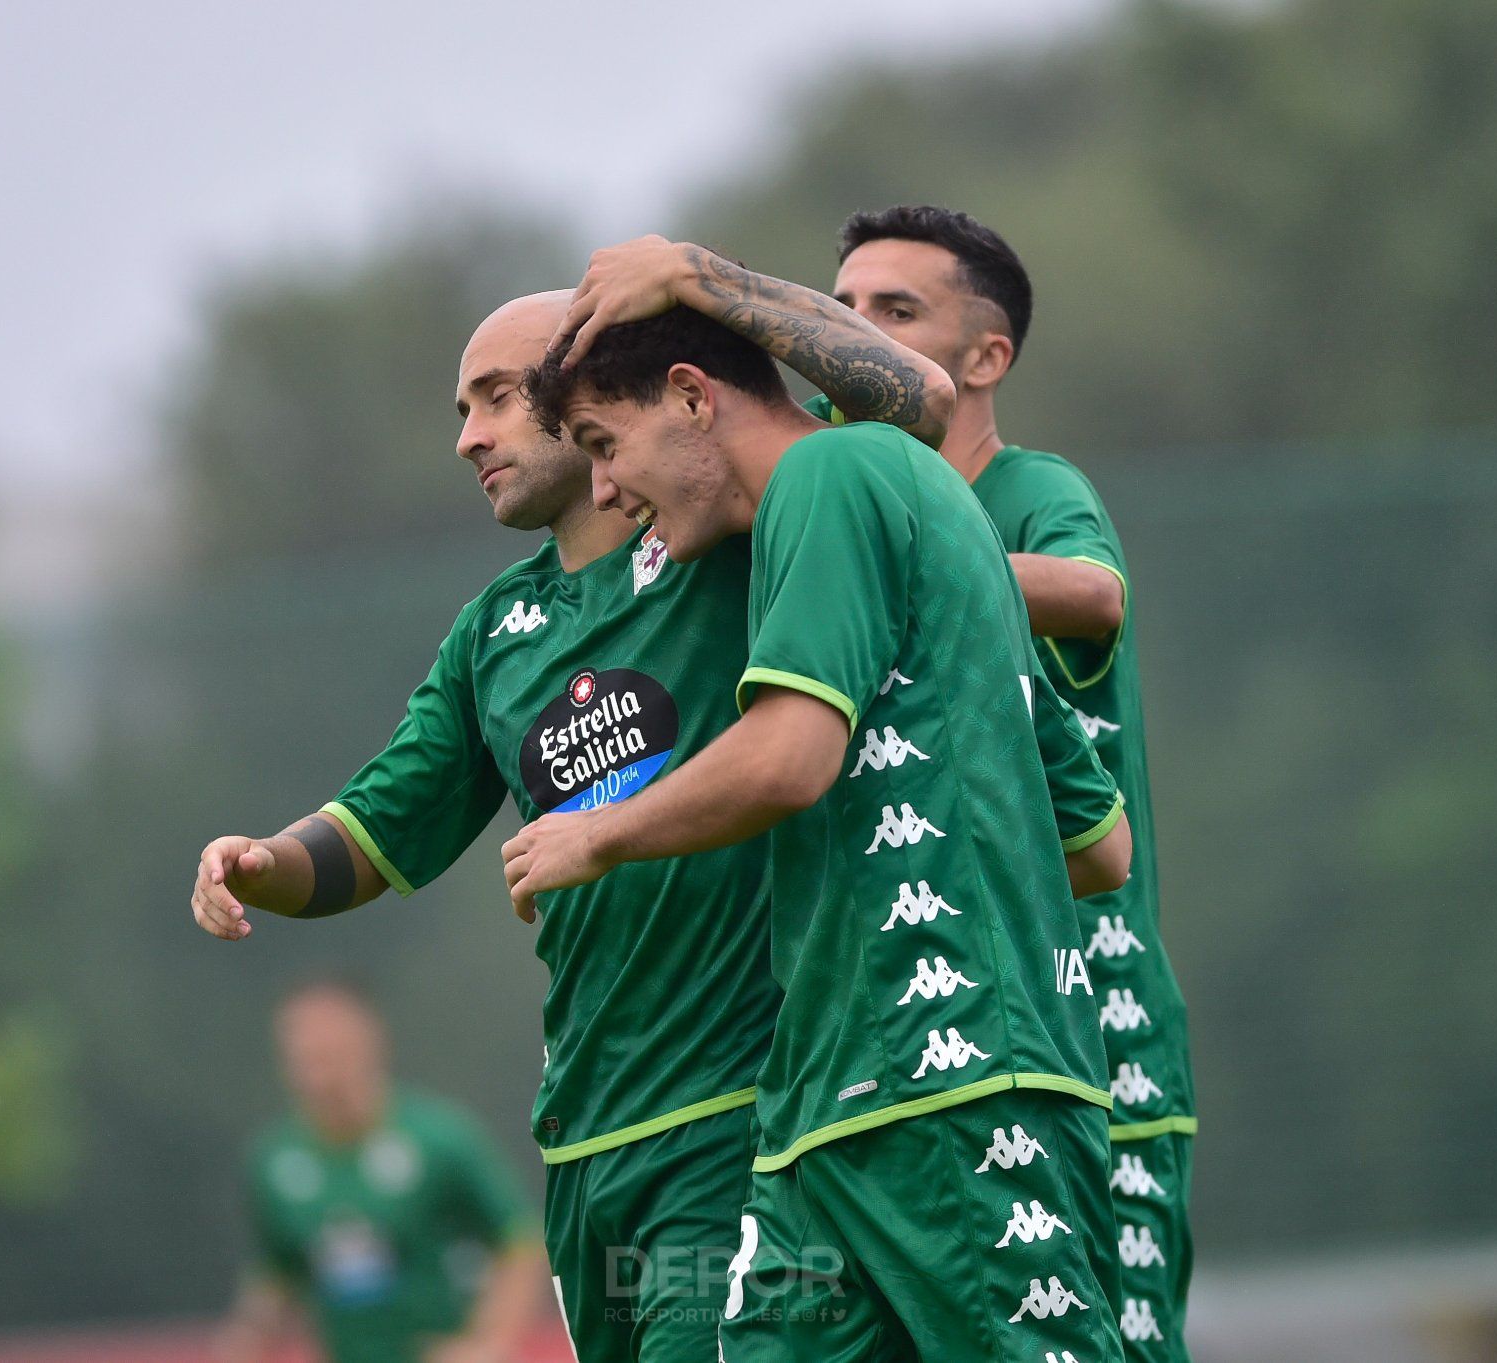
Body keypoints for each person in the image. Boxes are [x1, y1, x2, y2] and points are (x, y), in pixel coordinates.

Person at [189, 283, 952, 1360]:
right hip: (589, 1144)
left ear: (583, 384)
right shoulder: (495, 630)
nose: (468, 437)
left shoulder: (744, 530)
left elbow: (904, 406)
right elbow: (380, 824)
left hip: (742, 1115)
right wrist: (261, 863)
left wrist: (693, 276)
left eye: (498, 396)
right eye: (460, 408)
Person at [509, 305, 1134, 1362]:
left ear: (694, 396)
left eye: (606, 446)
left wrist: (599, 835)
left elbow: (791, 756)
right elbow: (1092, 842)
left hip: (951, 1086)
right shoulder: (914, 523)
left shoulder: (831, 476)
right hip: (825, 1116)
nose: (605, 491)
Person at [827, 205, 1198, 1361]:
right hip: (913, 1053)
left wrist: (912, 545)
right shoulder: (831, 508)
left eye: (896, 312)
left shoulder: (1032, 492)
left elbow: (1095, 596)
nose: (858, 337)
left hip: (1090, 1025)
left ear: (986, 357)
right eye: (839, 312)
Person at [218, 977, 542, 1363]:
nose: (318, 1073)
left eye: (331, 1053)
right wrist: (246, 1339)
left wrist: (489, 1342)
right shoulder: (274, 1161)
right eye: (304, 1056)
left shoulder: (440, 1139)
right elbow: (278, 1271)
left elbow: (520, 1241)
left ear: (371, 1046)